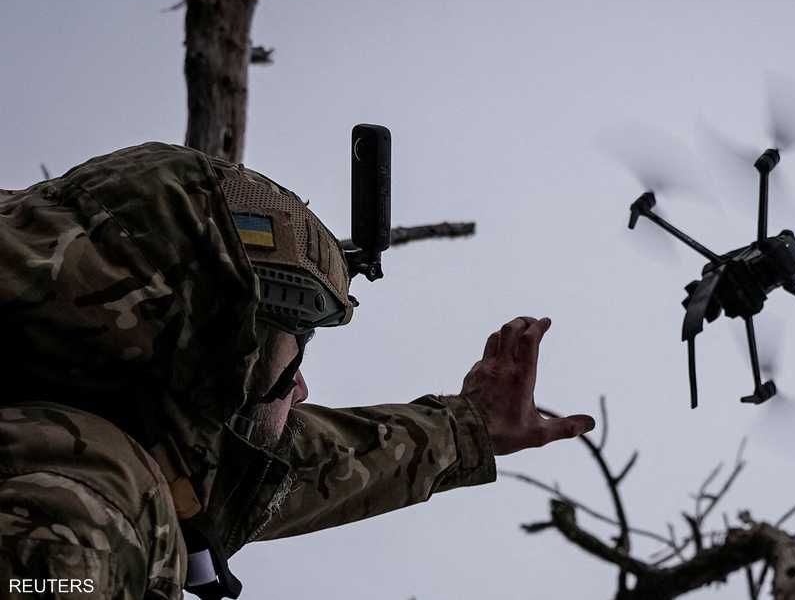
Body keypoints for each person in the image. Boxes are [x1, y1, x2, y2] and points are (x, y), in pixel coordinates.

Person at [0, 142, 595, 599]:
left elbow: (270, 463)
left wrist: (468, 429)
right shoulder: (75, 515)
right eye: (294, 348)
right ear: (222, 349)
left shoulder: (76, 415)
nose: (303, 388)